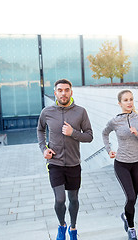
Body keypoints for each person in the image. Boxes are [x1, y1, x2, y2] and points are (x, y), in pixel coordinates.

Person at [37, 79, 93, 240]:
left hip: (74, 163)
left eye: (66, 90)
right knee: (60, 199)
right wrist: (44, 148)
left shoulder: (81, 112)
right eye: (60, 90)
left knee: (73, 199)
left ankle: (73, 229)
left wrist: (73, 133)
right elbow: (40, 129)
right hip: (55, 163)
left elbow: (89, 136)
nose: (63, 93)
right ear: (55, 93)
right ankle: (62, 225)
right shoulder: (47, 112)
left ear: (71, 92)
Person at [102, 89, 138, 240]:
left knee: (133, 199)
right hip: (122, 164)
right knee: (130, 197)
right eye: (125, 100)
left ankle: (125, 215)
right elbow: (104, 133)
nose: (129, 102)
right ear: (120, 103)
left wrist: (137, 134)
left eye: (131, 99)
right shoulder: (115, 121)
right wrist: (109, 149)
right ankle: (131, 228)